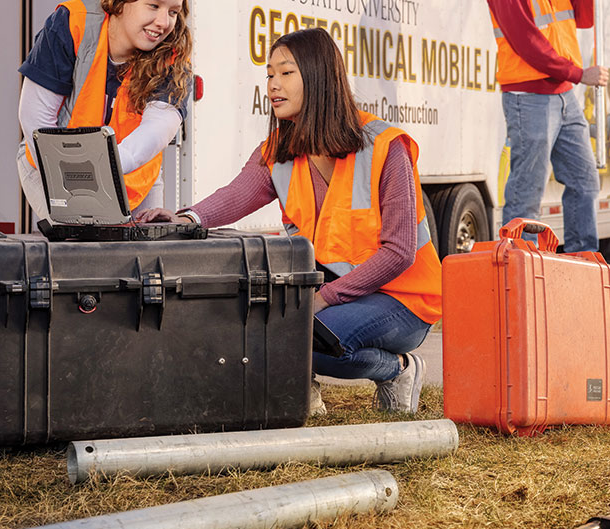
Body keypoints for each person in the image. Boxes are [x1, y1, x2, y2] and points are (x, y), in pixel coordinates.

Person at [139, 27, 442, 415]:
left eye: (286, 73)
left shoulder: (386, 146)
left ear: (318, 76)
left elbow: (399, 252)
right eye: (268, 75)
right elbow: (234, 197)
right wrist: (184, 218)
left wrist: (322, 299)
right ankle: (315, 377)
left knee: (299, 338)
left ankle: (398, 368)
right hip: (340, 294)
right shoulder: (278, 153)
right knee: (270, 331)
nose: (273, 85)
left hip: (404, 299)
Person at [17, 0, 192, 220]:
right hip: (52, 166)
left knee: (142, 255)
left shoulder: (173, 52)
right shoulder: (73, 22)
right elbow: (34, 117)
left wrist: (105, 168)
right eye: (154, 6)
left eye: (173, 12)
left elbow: (159, 127)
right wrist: (75, 174)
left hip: (132, 171)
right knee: (81, 248)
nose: (163, 22)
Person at [480, 0, 609, 252]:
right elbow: (529, 45)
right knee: (527, 192)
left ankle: (585, 261)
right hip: (529, 99)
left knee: (585, 181)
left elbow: (583, 15)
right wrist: (580, 74)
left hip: (565, 98)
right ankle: (521, 269)